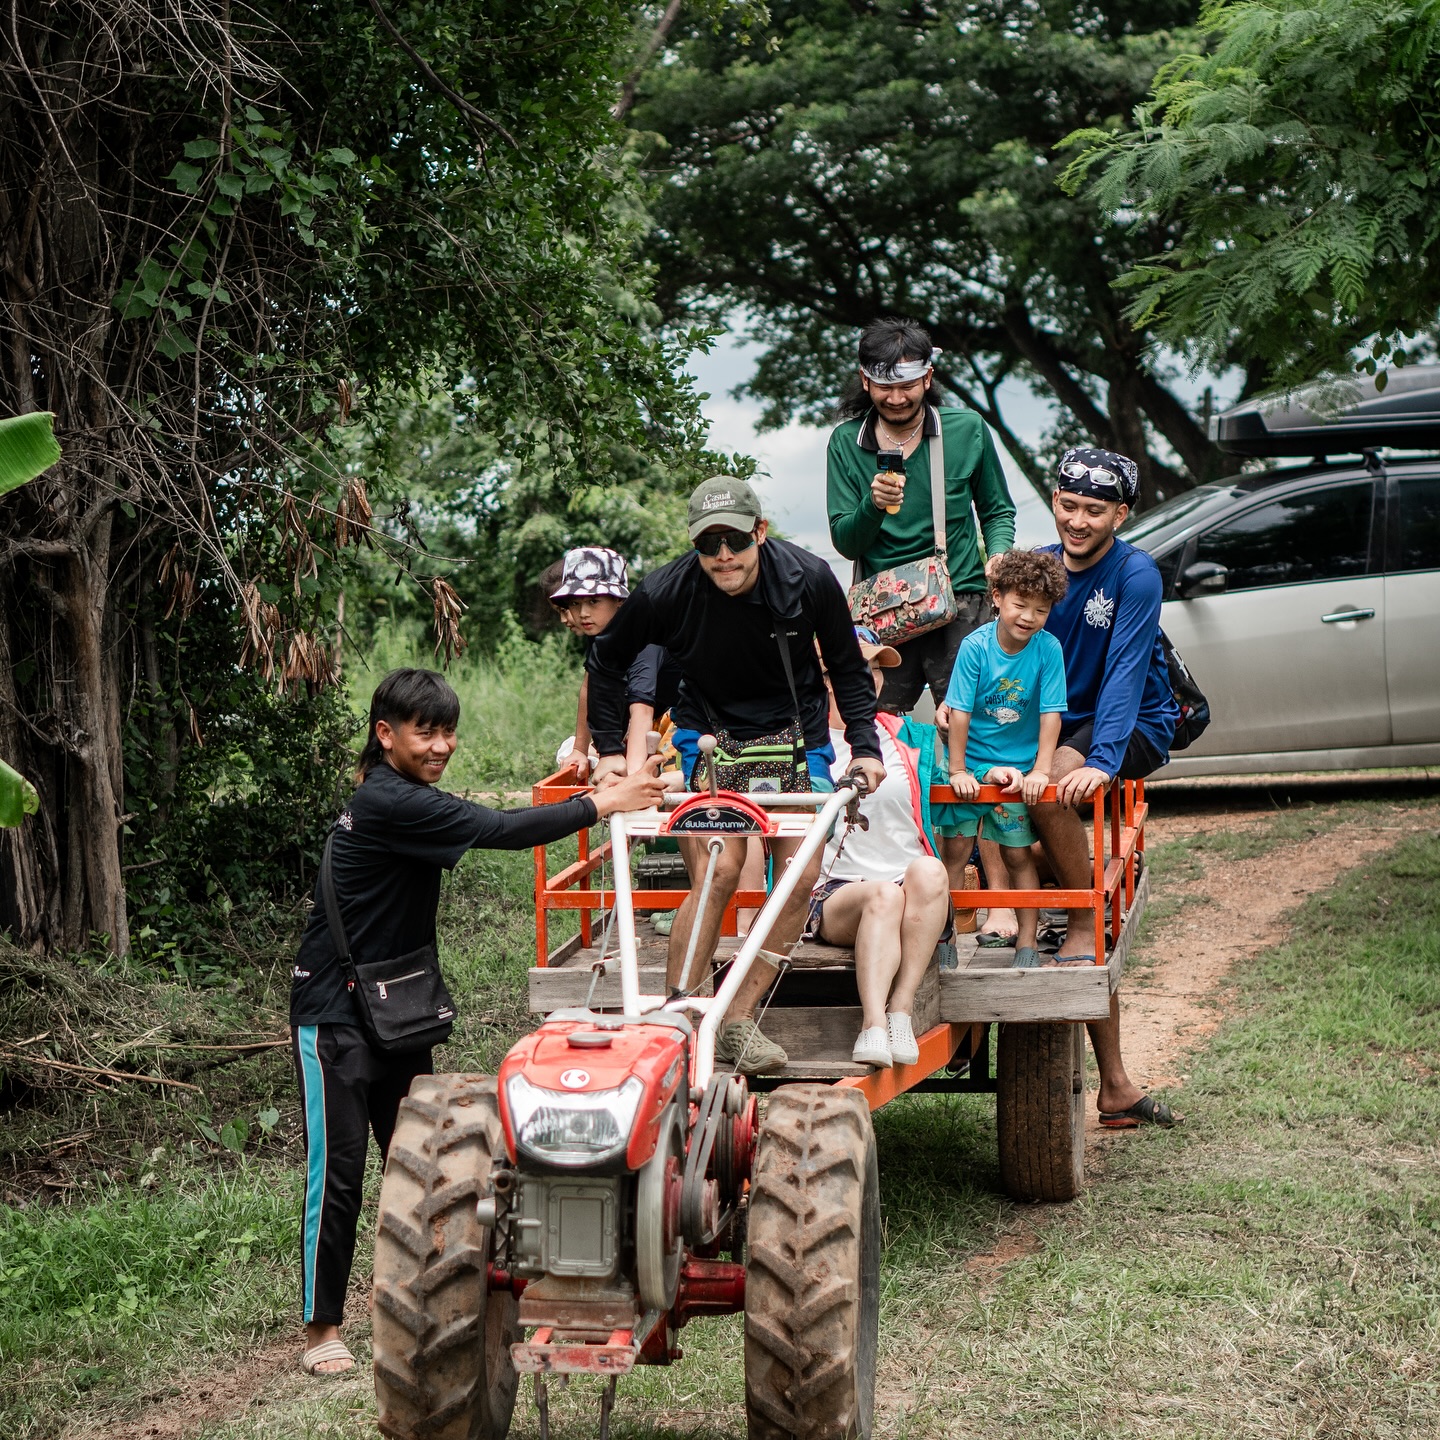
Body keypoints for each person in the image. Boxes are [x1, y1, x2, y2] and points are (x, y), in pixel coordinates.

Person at [289, 668, 667, 1377]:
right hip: (334, 1015)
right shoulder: (387, 801)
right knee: (337, 1174)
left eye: (447, 731)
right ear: (386, 734)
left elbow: (482, 820)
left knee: (430, 1168)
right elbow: (499, 828)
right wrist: (601, 802)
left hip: (392, 1007)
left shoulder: (410, 798)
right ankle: (322, 1331)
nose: (440, 745)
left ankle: (435, 1303)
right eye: (424, 731)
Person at [586, 476, 885, 1075]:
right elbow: (608, 659)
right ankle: (675, 1019)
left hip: (796, 737)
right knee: (719, 870)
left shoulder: (807, 579)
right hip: (710, 736)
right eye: (709, 543)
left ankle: (737, 1019)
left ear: (760, 533)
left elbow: (849, 670)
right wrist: (611, 748)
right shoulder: (667, 590)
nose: (723, 555)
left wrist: (864, 745)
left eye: (735, 540)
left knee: (798, 878)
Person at [1030, 446, 1179, 1128]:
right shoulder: (1037, 568)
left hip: (1133, 724)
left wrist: (1101, 759)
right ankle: (1115, 1086)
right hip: (1066, 722)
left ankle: (1086, 910)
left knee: (1053, 780)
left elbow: (1124, 672)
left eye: (1095, 510)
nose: (1078, 521)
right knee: (1021, 792)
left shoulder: (1135, 572)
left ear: (1120, 513)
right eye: (1068, 505)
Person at [826, 316, 1017, 715]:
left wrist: (998, 554)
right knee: (873, 726)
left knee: (976, 723)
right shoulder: (845, 441)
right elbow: (846, 542)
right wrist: (873, 505)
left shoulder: (967, 429)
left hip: (961, 596)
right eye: (884, 387)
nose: (896, 398)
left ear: (927, 379)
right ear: (865, 382)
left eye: (907, 386)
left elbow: (997, 510)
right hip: (881, 608)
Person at [808, 628, 954, 1069]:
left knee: (930, 870)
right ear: (828, 678)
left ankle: (899, 1013)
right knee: (883, 895)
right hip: (836, 889)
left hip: (907, 882)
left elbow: (956, 788)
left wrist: (995, 774)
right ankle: (871, 1025)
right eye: (859, 667)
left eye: (875, 668)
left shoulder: (909, 737)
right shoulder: (806, 742)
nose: (871, 677)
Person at [938, 549, 1069, 969]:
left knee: (1017, 854)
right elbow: (959, 712)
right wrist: (958, 769)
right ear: (997, 597)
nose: (1029, 617)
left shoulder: (1048, 650)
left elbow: (1051, 714)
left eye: (1041, 610)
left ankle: (1027, 943)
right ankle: (945, 940)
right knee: (955, 853)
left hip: (1018, 769)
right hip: (972, 762)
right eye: (1019, 605)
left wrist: (1041, 770)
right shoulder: (975, 647)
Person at [548, 546, 681, 780]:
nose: (583, 613)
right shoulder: (600, 634)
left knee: (652, 773)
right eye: (575, 604)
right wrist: (580, 749)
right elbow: (590, 687)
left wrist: (633, 779)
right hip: (634, 721)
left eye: (594, 601)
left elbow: (642, 708)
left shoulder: (644, 636)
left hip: (676, 720)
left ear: (619, 601)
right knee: (569, 750)